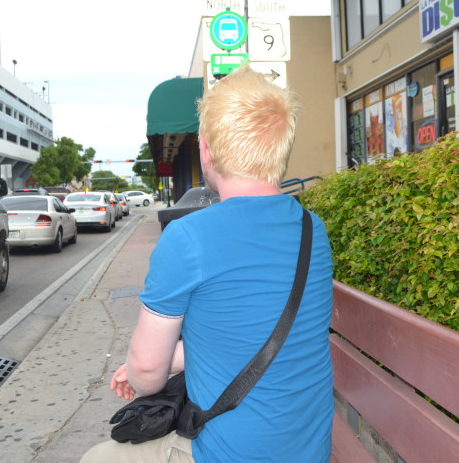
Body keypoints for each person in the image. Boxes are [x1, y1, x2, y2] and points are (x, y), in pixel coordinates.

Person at [81, 64, 334, 462]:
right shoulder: (312, 230)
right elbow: (243, 334)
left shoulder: (187, 238)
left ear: (206, 149)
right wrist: (163, 363)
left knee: (97, 458)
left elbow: (146, 375)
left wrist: (142, 369)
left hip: (229, 455)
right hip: (308, 451)